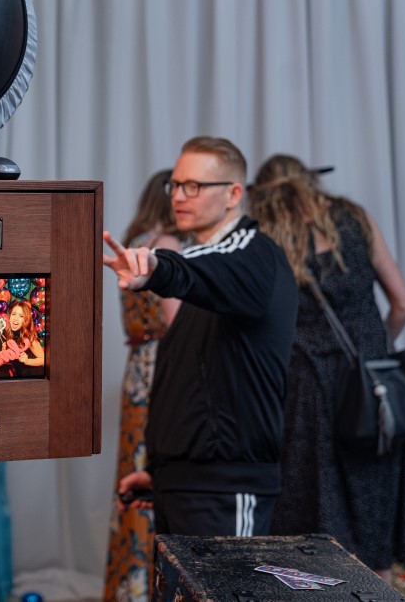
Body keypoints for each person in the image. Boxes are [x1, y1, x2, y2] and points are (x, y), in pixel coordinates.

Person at [103, 135, 297, 537]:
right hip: (183, 485)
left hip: (228, 489)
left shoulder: (252, 255)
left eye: (194, 186)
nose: (179, 196)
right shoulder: (210, 270)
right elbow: (194, 381)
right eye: (175, 184)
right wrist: (162, 472)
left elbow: (186, 267)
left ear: (233, 194)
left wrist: (155, 266)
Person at [249, 154, 405, 578]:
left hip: (308, 390)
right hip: (373, 391)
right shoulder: (354, 218)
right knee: (372, 502)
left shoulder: (268, 239)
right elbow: (403, 304)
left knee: (315, 509)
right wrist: (372, 352)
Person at [103, 169, 182, 602]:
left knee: (132, 469)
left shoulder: (138, 238)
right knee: (155, 470)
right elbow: (175, 321)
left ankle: (126, 586)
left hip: (137, 366)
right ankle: (151, 588)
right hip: (160, 366)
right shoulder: (168, 245)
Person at [6, 300, 45, 376]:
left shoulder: (29, 337)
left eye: (21, 316)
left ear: (26, 320)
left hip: (34, 377)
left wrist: (27, 361)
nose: (16, 318)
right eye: (14, 314)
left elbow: (43, 360)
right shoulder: (9, 335)